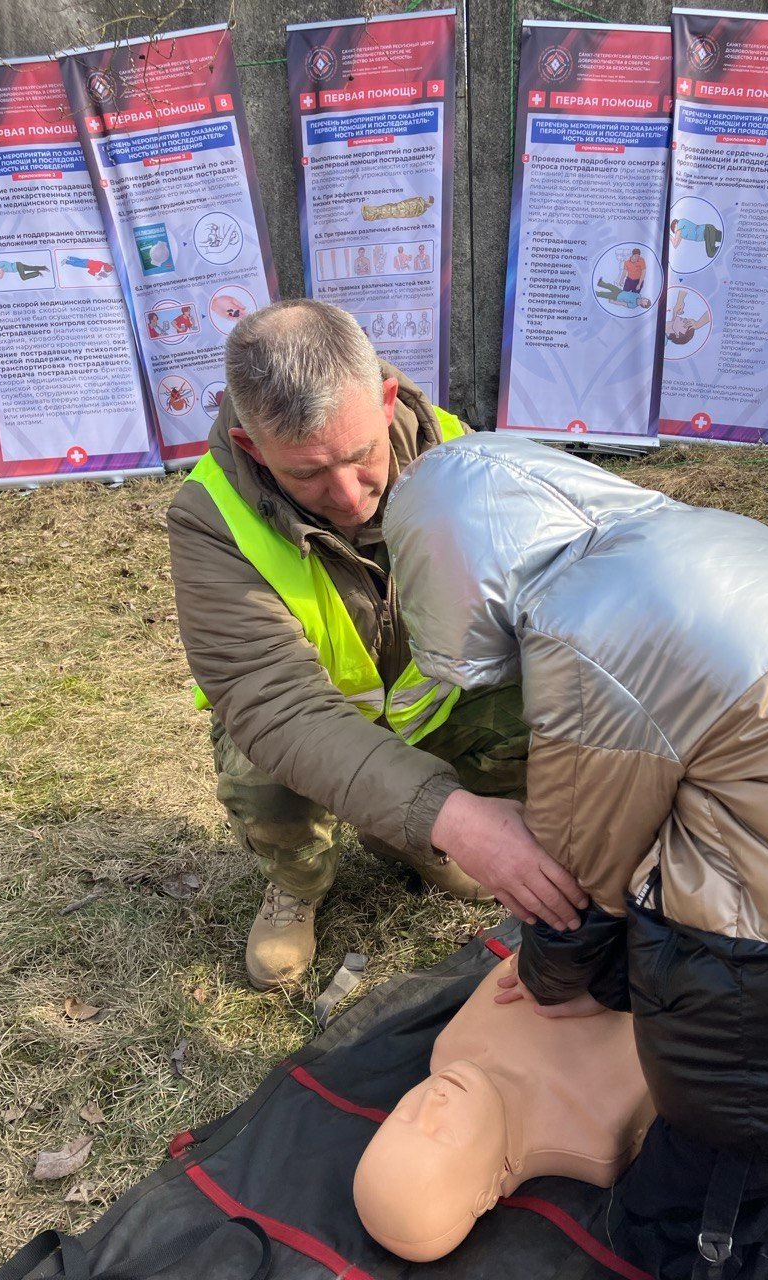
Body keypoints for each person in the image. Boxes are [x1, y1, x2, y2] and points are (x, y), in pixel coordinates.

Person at [383, 433, 768, 1279]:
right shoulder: (703, 539)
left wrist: (551, 979)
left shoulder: (582, 632)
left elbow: (574, 881)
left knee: (678, 1234)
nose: (429, 1115)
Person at [167, 302, 585, 992]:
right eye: (306, 473)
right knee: (263, 779)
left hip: (438, 704)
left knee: (548, 703)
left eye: (361, 455)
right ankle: (299, 880)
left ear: (387, 401)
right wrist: (458, 820)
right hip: (304, 727)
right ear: (252, 447)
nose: (347, 495)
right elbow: (277, 709)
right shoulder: (211, 520)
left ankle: (407, 833)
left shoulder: (461, 455)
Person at [354, 956, 654, 1262]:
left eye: (404, 1116)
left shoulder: (451, 1046)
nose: (433, 1099)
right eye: (443, 1134)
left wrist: (554, 949)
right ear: (486, 1196)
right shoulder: (598, 1122)